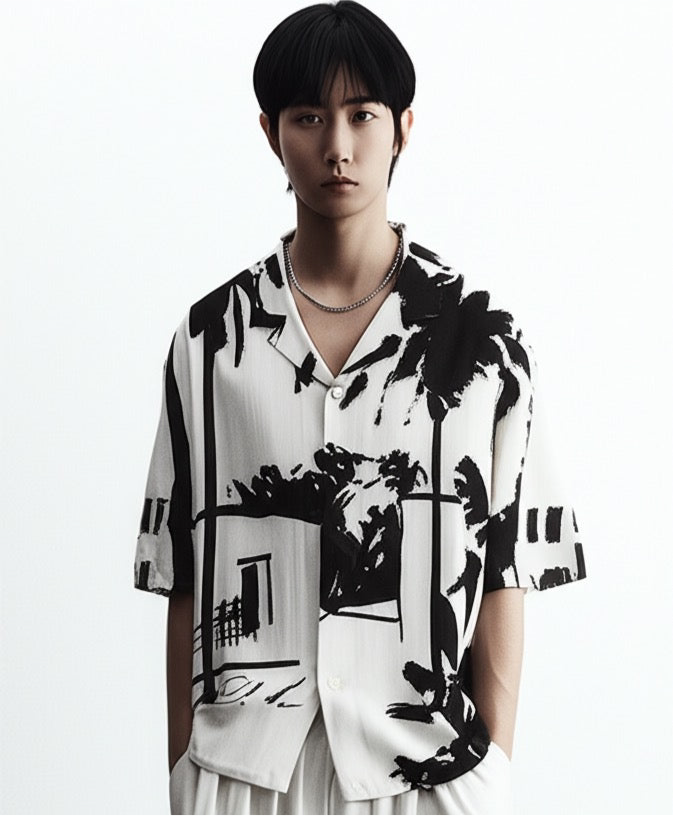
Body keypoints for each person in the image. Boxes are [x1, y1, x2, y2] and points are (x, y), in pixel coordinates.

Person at [133, 2, 588, 814]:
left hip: (425, 770)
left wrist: (492, 769)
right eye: (309, 118)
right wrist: (182, 768)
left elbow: (505, 570)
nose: (337, 147)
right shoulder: (209, 340)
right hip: (242, 773)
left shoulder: (480, 340)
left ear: (403, 127)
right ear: (271, 133)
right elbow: (184, 575)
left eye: (362, 115)